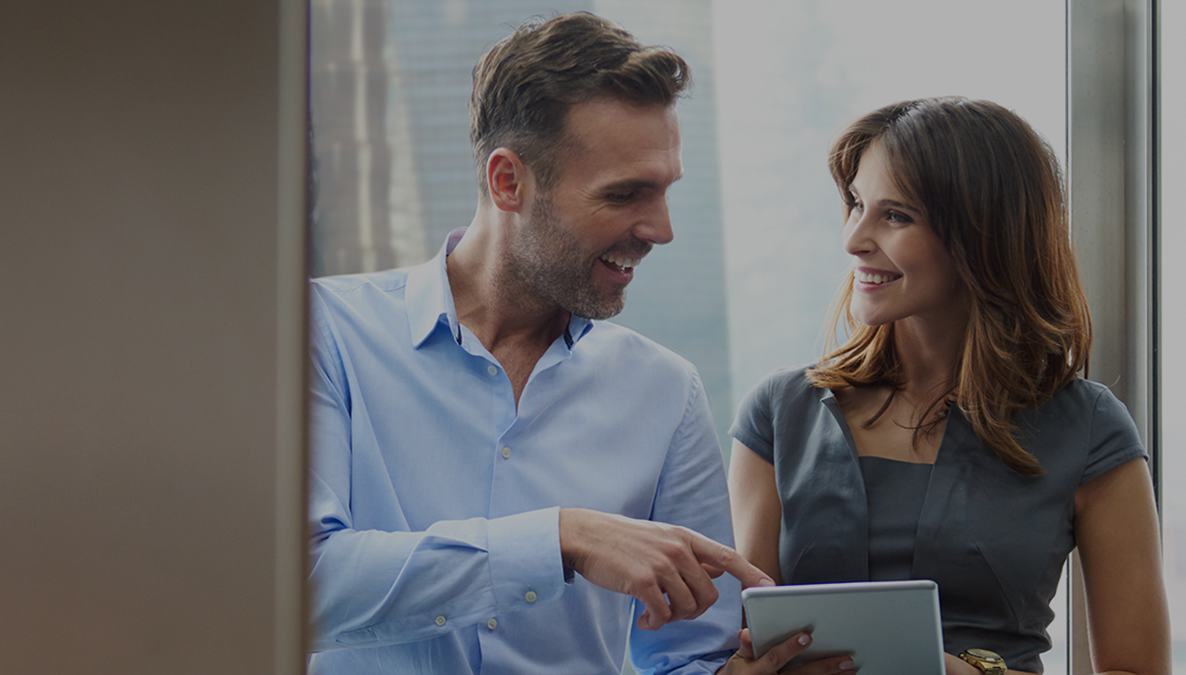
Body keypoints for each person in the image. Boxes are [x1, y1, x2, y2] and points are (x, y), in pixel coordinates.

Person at [305, 13, 828, 675]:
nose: (661, 229)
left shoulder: (666, 391)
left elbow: (690, 654)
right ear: (508, 182)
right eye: (625, 194)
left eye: (665, 190)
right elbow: (298, 586)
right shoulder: (325, 332)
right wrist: (561, 539)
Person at [728, 97, 1171, 675]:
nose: (854, 238)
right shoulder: (779, 414)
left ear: (983, 238)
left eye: (895, 216)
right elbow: (737, 639)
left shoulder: (1088, 429)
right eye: (857, 204)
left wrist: (972, 673)